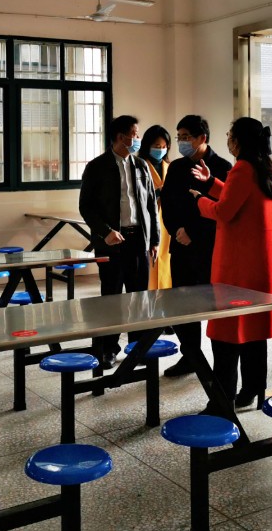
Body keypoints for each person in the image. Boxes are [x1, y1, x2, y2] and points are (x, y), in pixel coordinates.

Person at [191, 117, 272, 411]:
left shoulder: (242, 168)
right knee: (253, 330)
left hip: (237, 265)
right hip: (258, 263)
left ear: (239, 141)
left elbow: (225, 211)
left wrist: (200, 201)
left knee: (226, 334)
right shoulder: (264, 166)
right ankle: (253, 388)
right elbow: (241, 198)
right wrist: (212, 183)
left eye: (230, 135)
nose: (227, 140)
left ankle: (222, 398)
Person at [78, 114, 159, 369]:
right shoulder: (97, 166)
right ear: (121, 137)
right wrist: (105, 232)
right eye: (134, 134)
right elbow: (86, 207)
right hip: (112, 242)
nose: (138, 138)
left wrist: (154, 240)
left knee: (139, 296)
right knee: (111, 298)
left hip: (138, 240)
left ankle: (137, 347)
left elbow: (150, 205)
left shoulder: (141, 165)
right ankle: (108, 348)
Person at [160, 115, 232, 377]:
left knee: (213, 306)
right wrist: (177, 230)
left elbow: (222, 212)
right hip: (180, 247)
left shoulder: (222, 167)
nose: (181, 142)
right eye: (179, 137)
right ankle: (190, 356)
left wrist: (192, 232)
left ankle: (221, 360)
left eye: (186, 137)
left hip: (209, 249)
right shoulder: (177, 167)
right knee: (183, 305)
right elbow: (167, 204)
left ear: (202, 138)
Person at [138, 125, 172, 291]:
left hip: (166, 219)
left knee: (165, 258)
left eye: (164, 147)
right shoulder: (139, 165)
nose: (161, 150)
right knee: (149, 260)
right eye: (157, 146)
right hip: (148, 219)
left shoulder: (170, 166)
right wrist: (157, 193)